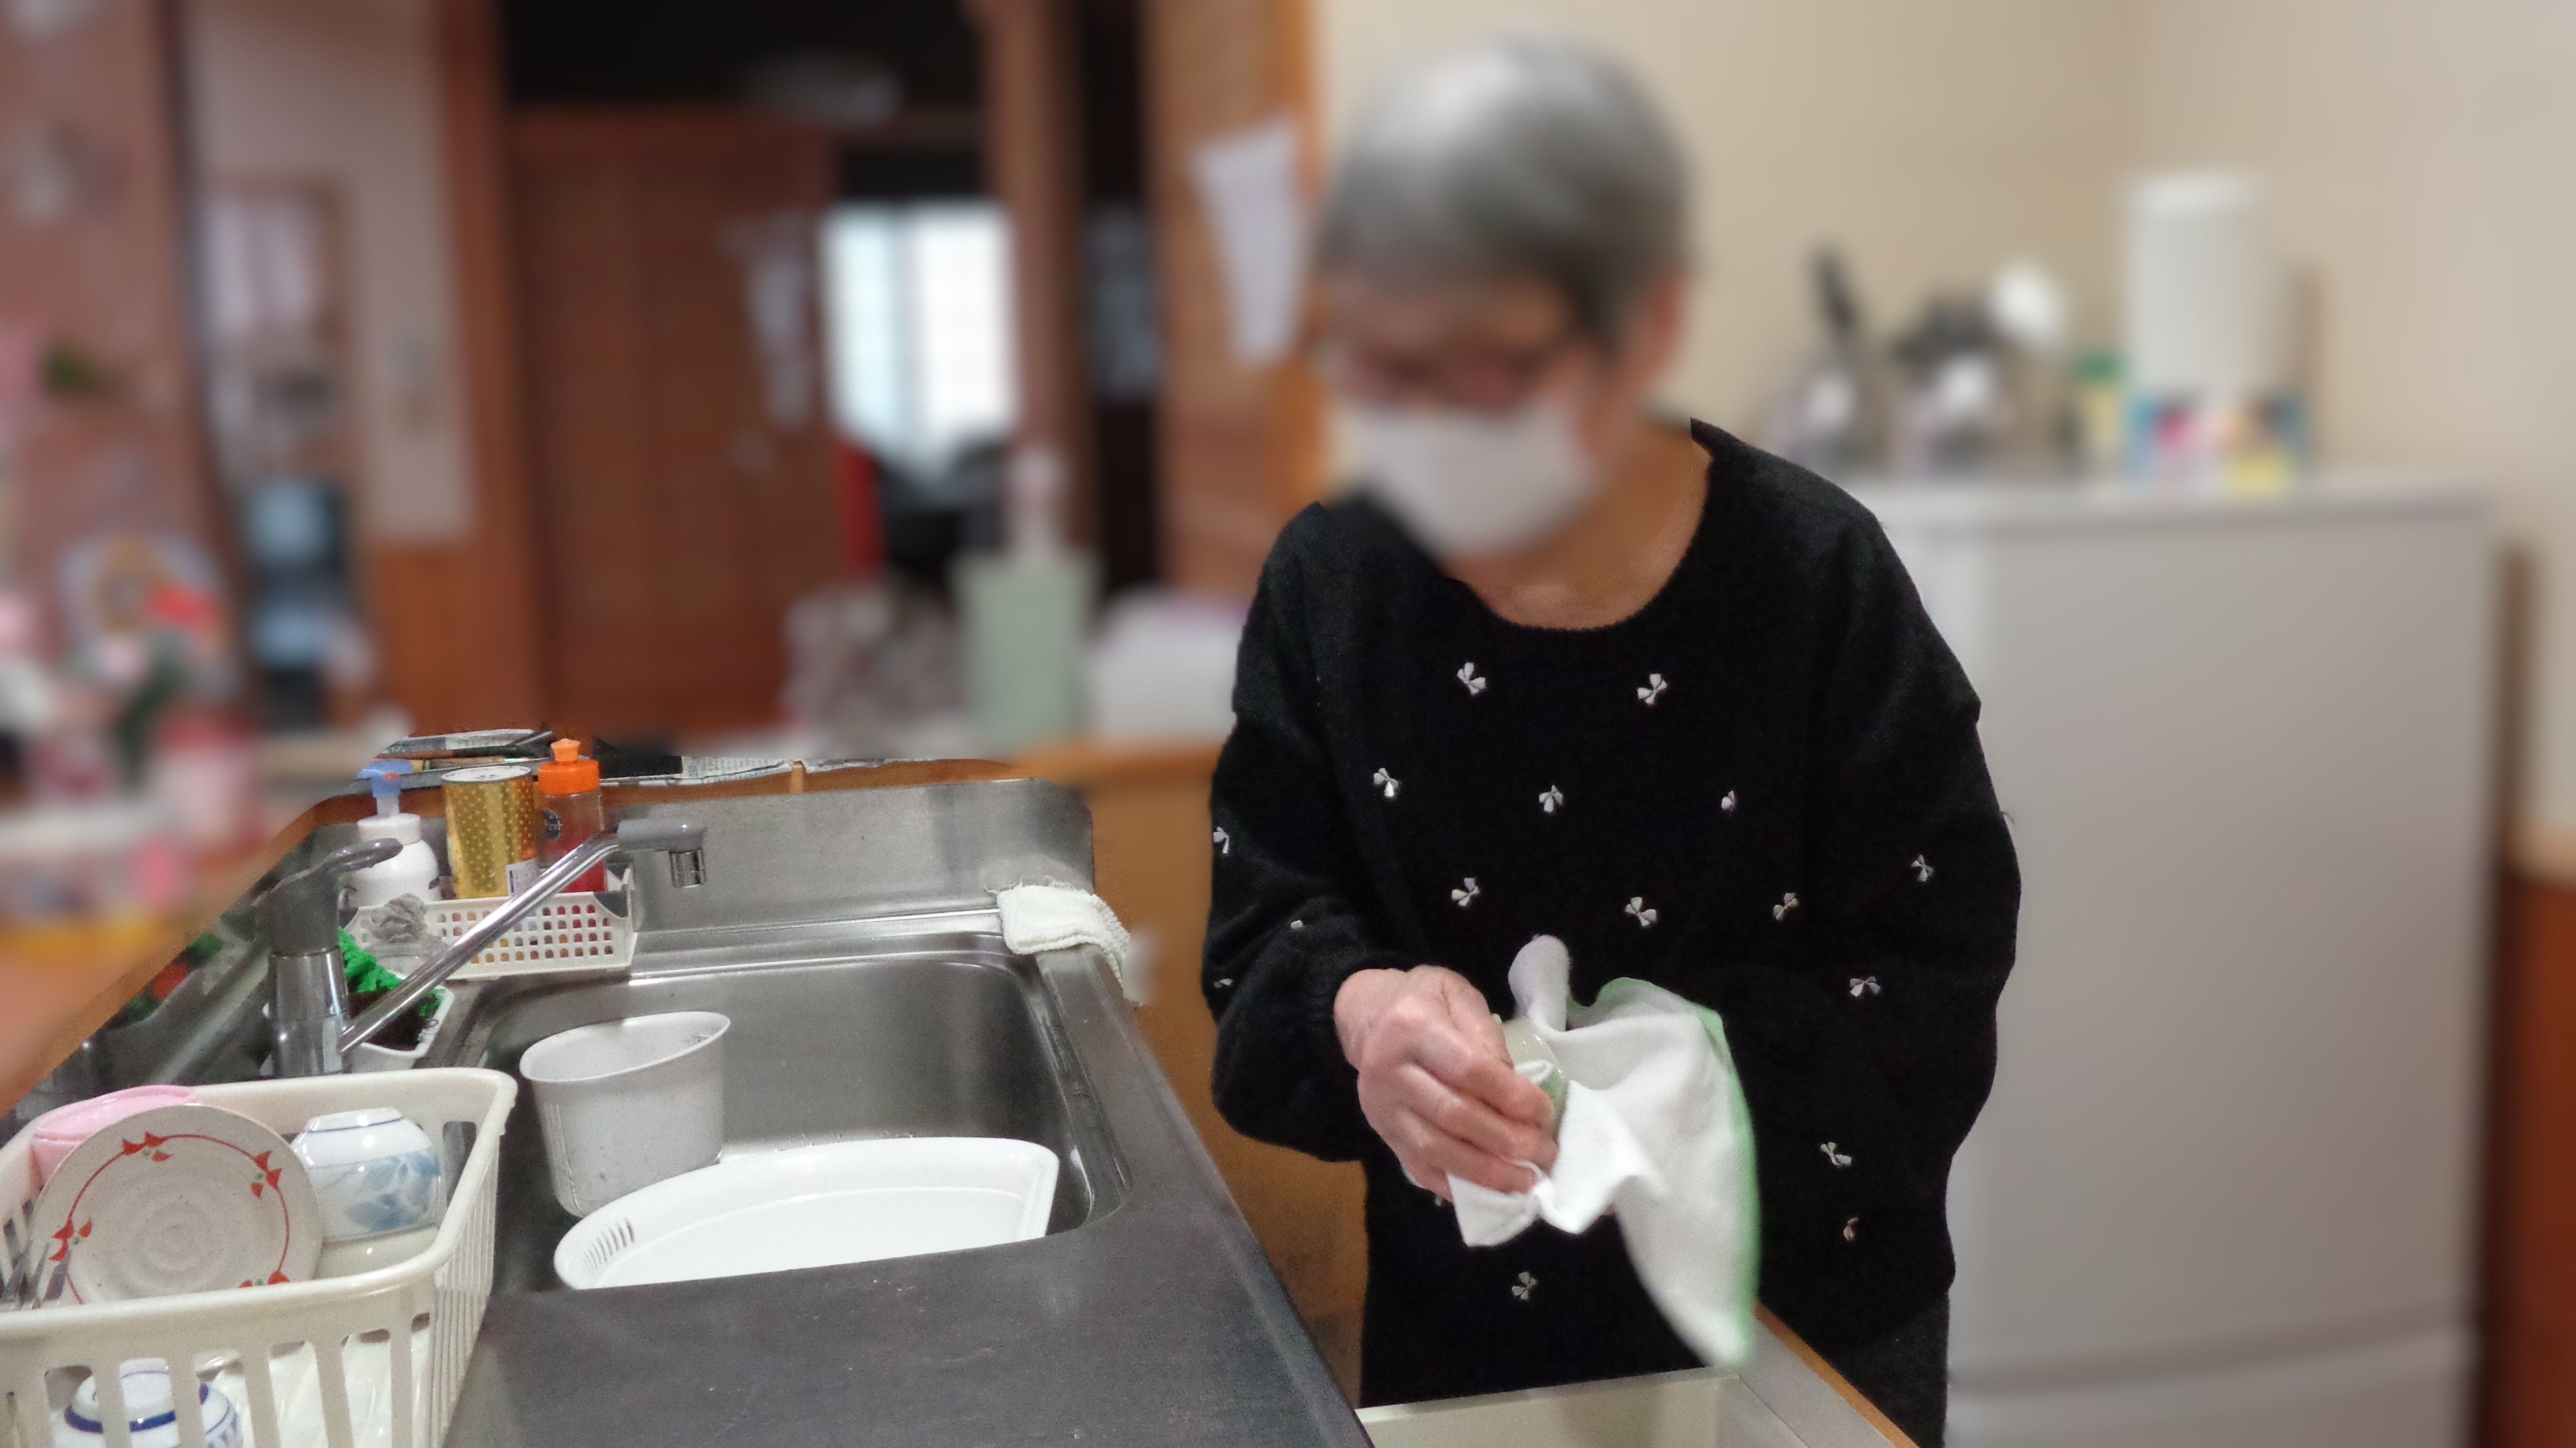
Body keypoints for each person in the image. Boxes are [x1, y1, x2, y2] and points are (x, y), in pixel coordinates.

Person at [1200, 34, 2018, 1447]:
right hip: (1469, 1338)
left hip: (1806, 1324)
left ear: (1644, 328)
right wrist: (1368, 1016)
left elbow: (1939, 965)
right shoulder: (1335, 585)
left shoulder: (1814, 578)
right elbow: (1264, 929)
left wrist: (1655, 1081)